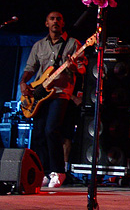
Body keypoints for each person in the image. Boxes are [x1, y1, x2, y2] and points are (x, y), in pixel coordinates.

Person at [19, 11, 87, 188]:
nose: (55, 21)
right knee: (39, 133)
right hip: (40, 93)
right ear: (46, 23)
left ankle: (58, 171)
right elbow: (30, 67)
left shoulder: (73, 44)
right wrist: (24, 82)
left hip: (61, 93)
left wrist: (73, 67)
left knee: (51, 130)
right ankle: (43, 170)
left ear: (63, 23)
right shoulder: (39, 45)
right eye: (52, 19)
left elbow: (82, 69)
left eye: (58, 19)